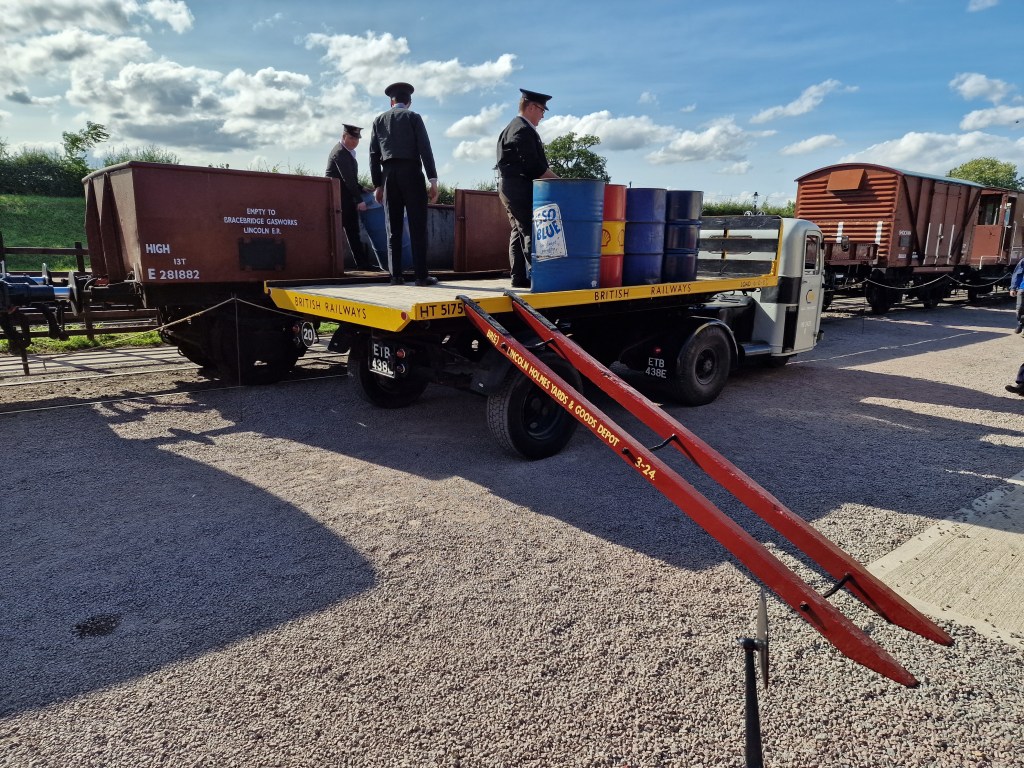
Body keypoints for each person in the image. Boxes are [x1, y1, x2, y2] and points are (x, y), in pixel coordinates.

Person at [368, 82, 439, 286]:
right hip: (412, 172)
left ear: (391, 102)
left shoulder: (379, 120)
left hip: (389, 175)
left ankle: (395, 276)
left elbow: (373, 155)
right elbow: (425, 148)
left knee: (393, 227)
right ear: (409, 102)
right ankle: (421, 276)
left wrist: (378, 185)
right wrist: (432, 179)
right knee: (417, 225)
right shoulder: (414, 117)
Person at [496, 88, 559, 288]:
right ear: (531, 107)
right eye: (542, 110)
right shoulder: (522, 130)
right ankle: (538, 277)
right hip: (518, 187)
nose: (543, 115)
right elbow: (534, 167)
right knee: (531, 229)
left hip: (510, 186)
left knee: (518, 230)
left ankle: (519, 277)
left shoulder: (514, 127)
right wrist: (561, 182)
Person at [326, 124, 377, 271]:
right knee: (342, 233)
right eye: (351, 138)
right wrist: (360, 200)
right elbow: (347, 179)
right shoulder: (340, 153)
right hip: (337, 199)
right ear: (344, 137)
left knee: (353, 231)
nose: (355, 142)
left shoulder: (347, 152)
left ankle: (362, 264)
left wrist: (362, 188)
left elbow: (350, 179)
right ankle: (355, 264)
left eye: (357, 139)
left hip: (344, 198)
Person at [1010, 258, 1024, 333]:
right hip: (1023, 288)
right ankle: (1020, 323)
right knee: (1019, 308)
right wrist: (1013, 288)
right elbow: (1017, 274)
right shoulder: (1023, 261)